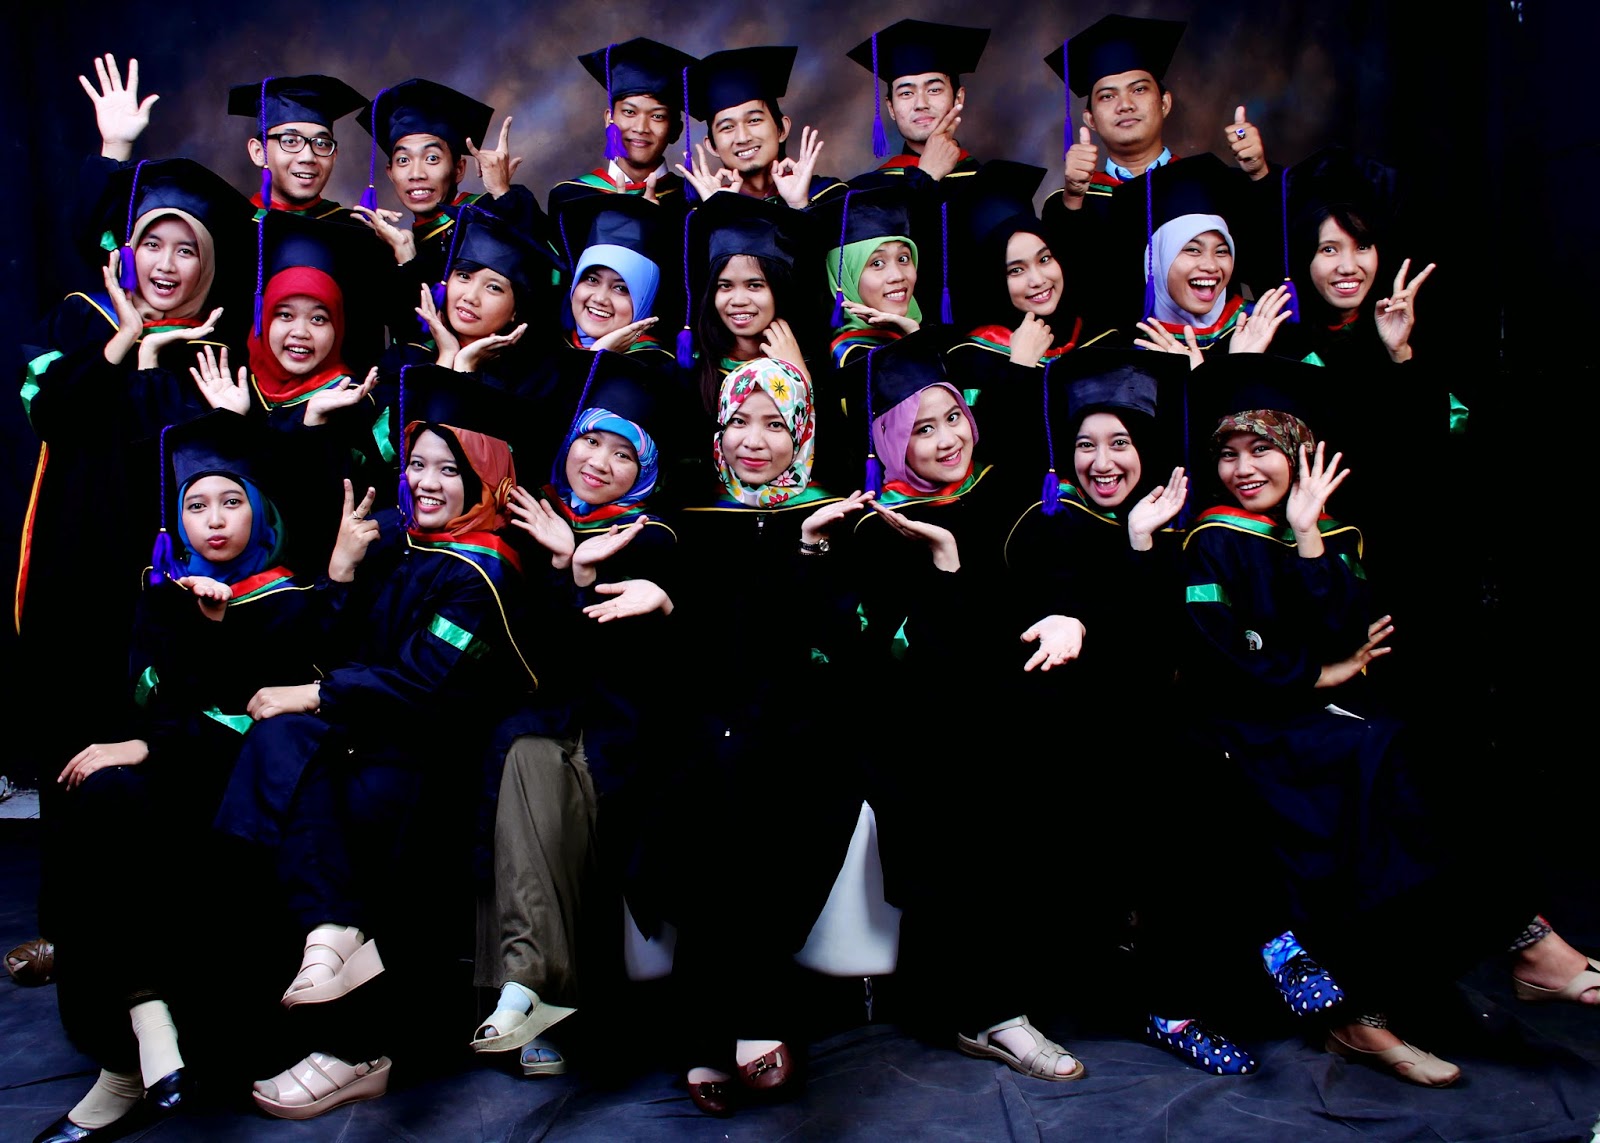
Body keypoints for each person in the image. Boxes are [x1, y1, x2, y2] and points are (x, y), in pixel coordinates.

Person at [1180, 354, 1599, 1088]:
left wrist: (1308, 538)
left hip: (1322, 721)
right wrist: (1318, 674)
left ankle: (1397, 995)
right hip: (1250, 730)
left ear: (1299, 451)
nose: (1243, 469)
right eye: (1229, 453)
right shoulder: (1210, 539)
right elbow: (1219, 652)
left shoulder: (1330, 532)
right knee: (1387, 758)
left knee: (1431, 772)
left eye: (1262, 449)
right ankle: (1516, 949)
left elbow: (1353, 628)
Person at [215, 373, 538, 1119]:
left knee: (337, 786)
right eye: (416, 463)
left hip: (440, 754)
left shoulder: (485, 569)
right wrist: (338, 570)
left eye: (449, 469)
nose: (425, 482)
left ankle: (356, 1046)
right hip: (368, 732)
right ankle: (326, 939)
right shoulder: (390, 537)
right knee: (281, 747)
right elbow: (328, 651)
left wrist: (313, 695)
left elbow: (424, 682)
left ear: (483, 475)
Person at [34, 412, 319, 1143]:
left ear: (260, 509)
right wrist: (146, 739)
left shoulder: (292, 601)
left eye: (231, 501)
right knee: (99, 798)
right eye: (196, 505)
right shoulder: (161, 595)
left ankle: (126, 1060)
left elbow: (255, 721)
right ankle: (140, 1024)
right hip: (173, 774)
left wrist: (209, 647)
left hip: (240, 795)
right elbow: (149, 698)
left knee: (128, 813)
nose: (214, 521)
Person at [1003, 349, 1262, 1076]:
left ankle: (1245, 964)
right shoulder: (1046, 525)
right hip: (1070, 733)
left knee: (1211, 774)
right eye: (1085, 443)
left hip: (1154, 722)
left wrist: (1144, 542)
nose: (1101, 461)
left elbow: (1167, 649)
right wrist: (1121, 567)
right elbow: (1085, 651)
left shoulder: (1177, 528)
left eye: (1119, 442)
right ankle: (1164, 1001)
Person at [846, 330, 1084, 1083]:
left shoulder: (1003, 494)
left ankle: (1029, 991)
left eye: (953, 417)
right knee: (963, 792)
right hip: (913, 726)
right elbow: (906, 661)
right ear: (891, 440)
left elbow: (1038, 595)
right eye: (922, 428)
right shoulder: (876, 525)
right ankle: (989, 1012)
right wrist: (946, 568)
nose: (947, 439)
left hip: (999, 706)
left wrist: (1064, 614)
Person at [669, 356, 868, 1115]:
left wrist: (810, 551)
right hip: (704, 720)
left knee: (757, 784)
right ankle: (754, 1014)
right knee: (711, 784)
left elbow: (835, 645)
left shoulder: (831, 518)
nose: (754, 441)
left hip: (806, 723)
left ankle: (711, 1028)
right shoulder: (690, 517)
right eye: (739, 422)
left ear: (803, 434)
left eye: (776, 425)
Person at [471, 352, 678, 1078]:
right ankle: (527, 990)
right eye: (592, 440)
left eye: (625, 454)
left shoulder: (653, 537)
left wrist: (581, 568)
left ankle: (534, 995)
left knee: (546, 770)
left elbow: (631, 668)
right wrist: (562, 564)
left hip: (626, 738)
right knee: (523, 759)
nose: (600, 462)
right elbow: (532, 660)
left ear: (645, 472)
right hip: (553, 728)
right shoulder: (533, 522)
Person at [1041, 15, 1268, 221]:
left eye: (1139, 89)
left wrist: (1259, 173)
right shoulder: (1075, 200)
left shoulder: (1210, 181)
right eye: (1108, 96)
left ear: (1164, 104)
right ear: (1090, 120)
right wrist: (1073, 197)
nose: (1125, 105)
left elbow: (1269, 237)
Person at [676, 46, 844, 209]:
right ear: (712, 146)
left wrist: (800, 205)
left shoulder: (832, 197)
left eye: (754, 120)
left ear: (782, 129)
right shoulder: (703, 215)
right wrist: (720, 212)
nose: (743, 138)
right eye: (727, 127)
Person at [549, 37, 698, 212]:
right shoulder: (570, 198)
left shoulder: (694, 202)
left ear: (676, 130)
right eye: (629, 112)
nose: (641, 128)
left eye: (657, 116)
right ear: (609, 119)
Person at [844, 19, 987, 186]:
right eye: (906, 93)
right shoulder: (867, 190)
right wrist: (927, 175)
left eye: (934, 90)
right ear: (891, 107)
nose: (920, 104)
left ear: (958, 98)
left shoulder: (993, 184)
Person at [227, 75, 370, 219]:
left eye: (321, 143)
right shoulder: (231, 226)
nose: (308, 157)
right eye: (290, 141)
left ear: (334, 156)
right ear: (258, 152)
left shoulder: (354, 227)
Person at [814, 185, 923, 368]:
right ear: (846, 278)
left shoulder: (913, 331)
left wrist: (912, 332)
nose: (897, 276)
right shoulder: (855, 355)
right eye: (877, 263)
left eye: (903, 258)